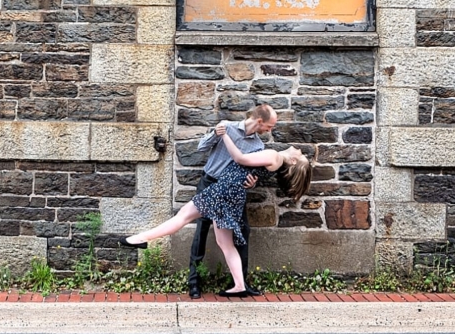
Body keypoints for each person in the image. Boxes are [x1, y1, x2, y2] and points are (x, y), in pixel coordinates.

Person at [123, 121, 313, 297]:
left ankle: (141, 238)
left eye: (301, 154)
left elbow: (240, 159)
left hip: (223, 192)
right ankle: (240, 286)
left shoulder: (274, 156)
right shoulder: (275, 159)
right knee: (225, 244)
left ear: (294, 162)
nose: (298, 149)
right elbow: (247, 171)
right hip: (229, 193)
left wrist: (224, 135)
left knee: (183, 217)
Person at [188, 105, 276, 299]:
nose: (270, 131)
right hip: (210, 183)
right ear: (259, 121)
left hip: (233, 193)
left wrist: (251, 184)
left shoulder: (258, 146)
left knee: (242, 231)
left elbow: (250, 173)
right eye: (269, 126)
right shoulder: (226, 127)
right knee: (202, 229)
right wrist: (214, 134)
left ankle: (240, 284)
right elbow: (201, 147)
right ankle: (194, 283)